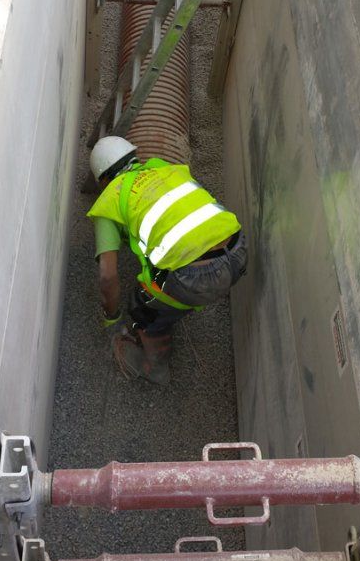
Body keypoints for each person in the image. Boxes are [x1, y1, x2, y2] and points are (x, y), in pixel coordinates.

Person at [87, 136, 247, 386]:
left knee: (141, 306)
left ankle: (154, 367)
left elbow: (108, 276)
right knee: (171, 283)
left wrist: (110, 317)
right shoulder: (165, 167)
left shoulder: (108, 201)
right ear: (134, 158)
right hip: (238, 250)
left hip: (197, 278)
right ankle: (184, 302)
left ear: (104, 180)